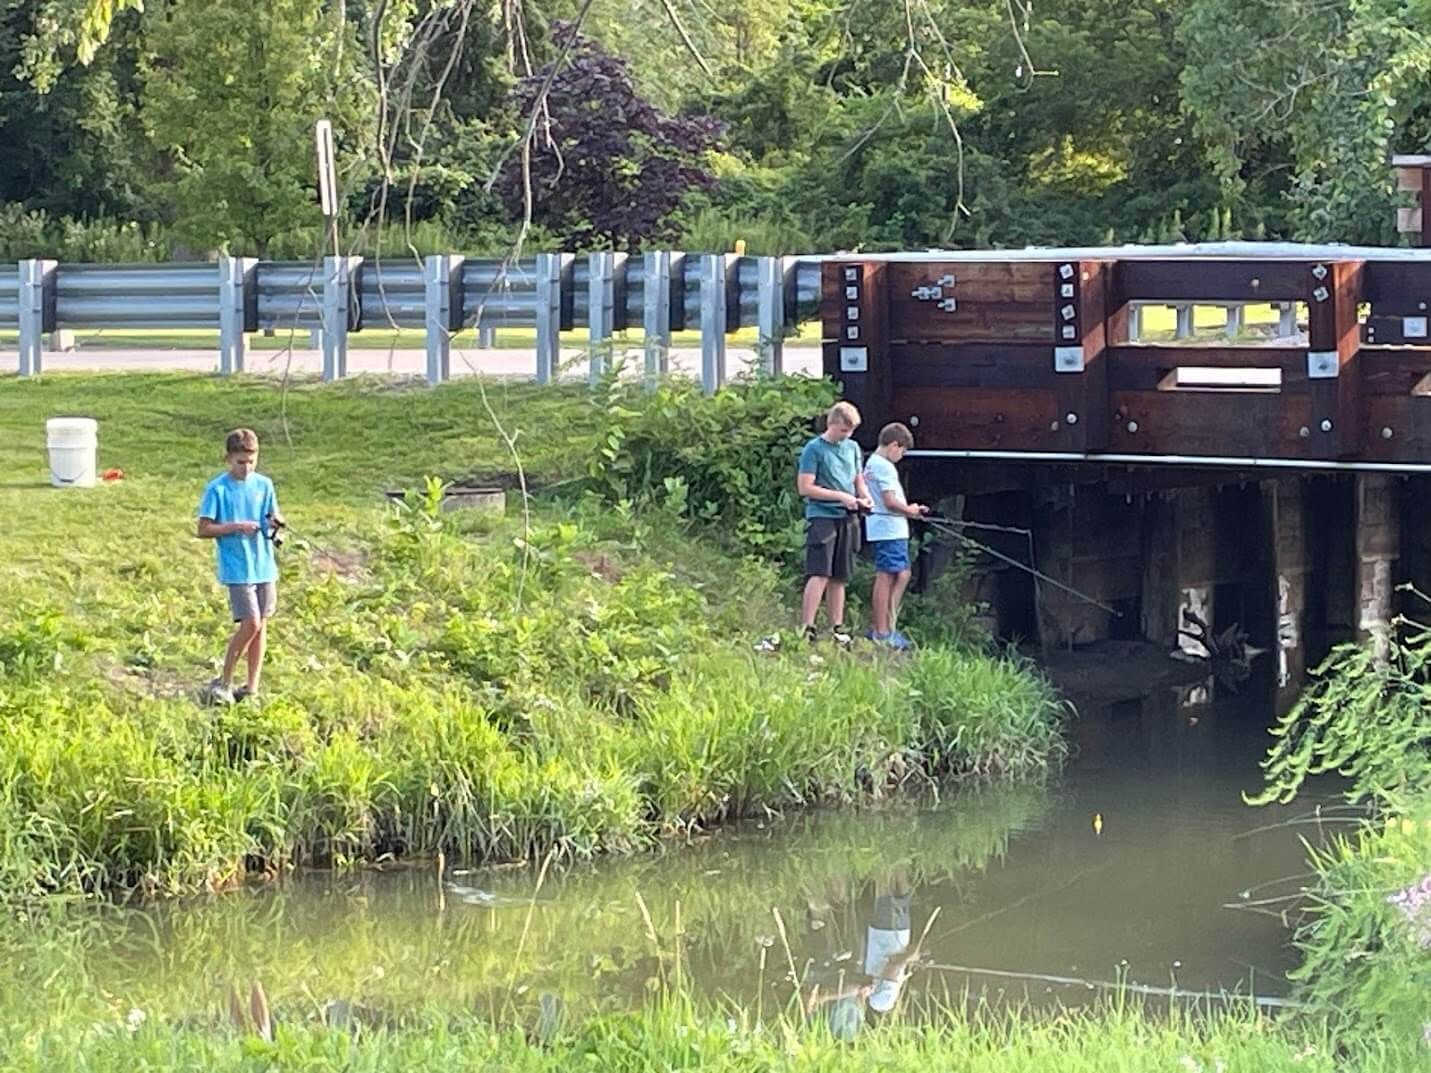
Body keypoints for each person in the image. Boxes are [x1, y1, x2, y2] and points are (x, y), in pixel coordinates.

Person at [197, 428, 283, 704]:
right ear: (228, 459)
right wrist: (236, 527)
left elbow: (272, 515)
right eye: (240, 462)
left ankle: (251, 687)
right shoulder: (217, 489)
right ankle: (223, 682)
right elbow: (204, 529)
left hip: (264, 565)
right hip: (238, 567)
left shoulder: (265, 485)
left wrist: (275, 524)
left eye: (251, 461)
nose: (246, 468)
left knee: (262, 626)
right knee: (250, 623)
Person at [797, 401, 872, 644]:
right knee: (820, 572)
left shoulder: (852, 448)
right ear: (832, 424)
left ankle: (836, 627)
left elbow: (858, 479)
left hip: (847, 516)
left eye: (850, 432)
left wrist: (864, 497)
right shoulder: (814, 449)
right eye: (843, 431)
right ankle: (807, 627)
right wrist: (840, 496)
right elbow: (805, 487)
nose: (846, 436)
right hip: (822, 516)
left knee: (840, 575)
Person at [862, 422, 927, 649]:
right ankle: (882, 630)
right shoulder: (884, 466)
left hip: (888, 528)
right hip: (889, 529)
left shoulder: (873, 463)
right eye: (902, 450)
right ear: (893, 445)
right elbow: (890, 501)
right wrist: (910, 510)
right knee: (888, 575)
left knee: (901, 574)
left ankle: (887, 626)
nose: (902, 456)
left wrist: (910, 510)